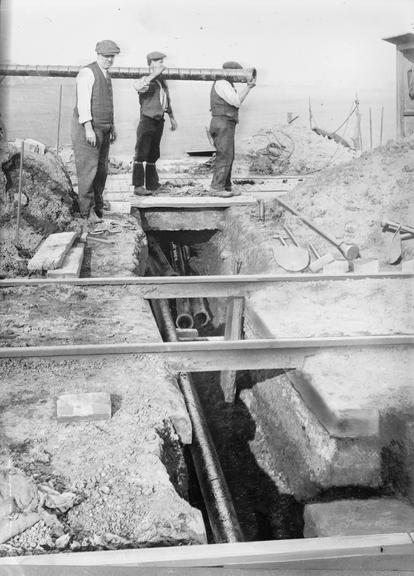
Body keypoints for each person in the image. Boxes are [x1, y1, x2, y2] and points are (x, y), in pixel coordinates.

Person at [71, 39, 120, 224]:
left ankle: (98, 207)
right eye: (106, 56)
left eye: (112, 57)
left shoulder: (107, 75)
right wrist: (88, 128)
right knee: (88, 170)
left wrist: (112, 126)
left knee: (101, 170)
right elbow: (83, 103)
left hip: (104, 128)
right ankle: (86, 211)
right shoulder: (87, 72)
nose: (109, 60)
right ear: (98, 55)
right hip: (89, 130)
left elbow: (108, 103)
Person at [132, 51, 177, 195]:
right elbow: (138, 87)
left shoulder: (162, 81)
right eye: (158, 61)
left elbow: (166, 100)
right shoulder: (146, 79)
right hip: (147, 119)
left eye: (162, 61)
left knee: (153, 153)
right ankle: (138, 186)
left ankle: (152, 184)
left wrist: (171, 117)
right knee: (141, 153)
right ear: (150, 63)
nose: (161, 64)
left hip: (159, 120)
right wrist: (154, 74)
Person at [209, 61, 256, 197]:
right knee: (224, 155)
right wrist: (248, 88)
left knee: (228, 154)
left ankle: (225, 186)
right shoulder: (222, 83)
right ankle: (217, 188)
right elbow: (236, 101)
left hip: (224, 122)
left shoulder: (224, 83)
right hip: (223, 122)